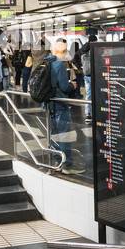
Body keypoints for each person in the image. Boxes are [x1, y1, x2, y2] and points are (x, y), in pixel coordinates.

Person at [42, 39, 82, 169]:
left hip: (48, 104)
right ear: (62, 52)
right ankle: (66, 163)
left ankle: (56, 159)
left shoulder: (46, 62)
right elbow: (64, 87)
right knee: (64, 135)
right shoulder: (59, 65)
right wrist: (72, 85)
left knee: (54, 133)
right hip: (60, 104)